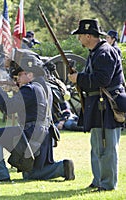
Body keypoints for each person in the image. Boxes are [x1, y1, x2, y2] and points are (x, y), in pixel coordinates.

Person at [0, 49, 75, 182]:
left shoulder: (29, 89)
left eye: (20, 75)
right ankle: (62, 168)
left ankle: (0, 175)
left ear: (30, 75)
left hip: (30, 133)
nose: (18, 79)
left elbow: (9, 109)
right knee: (31, 175)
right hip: (44, 135)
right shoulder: (42, 88)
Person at [69, 19, 125, 191]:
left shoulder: (104, 52)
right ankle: (98, 180)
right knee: (97, 146)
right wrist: (80, 78)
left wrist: (79, 78)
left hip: (107, 105)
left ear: (88, 35)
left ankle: (107, 184)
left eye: (80, 35)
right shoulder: (96, 52)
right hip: (98, 104)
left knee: (107, 147)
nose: (79, 39)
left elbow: (102, 80)